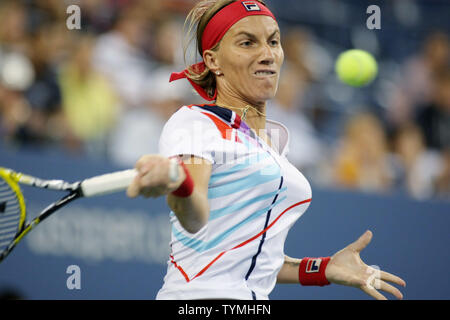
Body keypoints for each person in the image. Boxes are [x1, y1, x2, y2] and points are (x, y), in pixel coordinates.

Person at [127, 0, 406, 300]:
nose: (267, 54)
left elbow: (248, 260)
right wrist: (179, 186)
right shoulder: (197, 122)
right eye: (247, 43)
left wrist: (323, 269)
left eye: (273, 41)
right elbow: (194, 217)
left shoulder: (270, 144)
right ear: (213, 60)